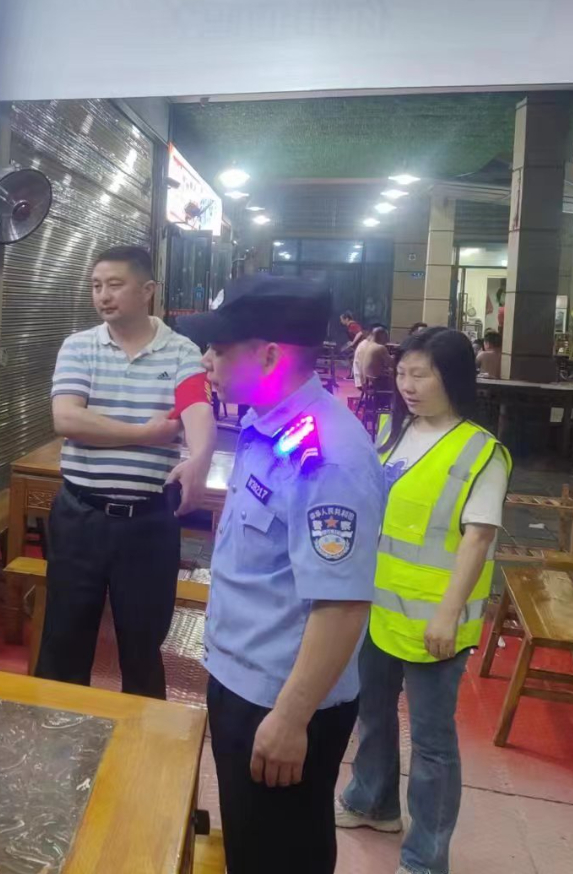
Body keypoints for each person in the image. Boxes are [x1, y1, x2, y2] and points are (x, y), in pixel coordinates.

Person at [177, 274, 386, 874]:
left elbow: (342, 605)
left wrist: (291, 717)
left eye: (220, 348)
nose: (207, 360)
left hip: (282, 701)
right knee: (251, 846)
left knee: (281, 854)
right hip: (242, 680)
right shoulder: (268, 424)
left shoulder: (329, 456)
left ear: (268, 356)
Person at [337, 327, 509, 874]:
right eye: (402, 373)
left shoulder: (482, 452)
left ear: (451, 377)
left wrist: (447, 615)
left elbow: (477, 540)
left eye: (421, 374)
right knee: (372, 713)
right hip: (379, 607)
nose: (407, 385)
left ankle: (426, 858)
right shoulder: (396, 430)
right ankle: (373, 803)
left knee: (432, 743)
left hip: (436, 620)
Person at [38, 245, 215, 695]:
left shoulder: (181, 351)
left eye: (115, 285)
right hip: (80, 516)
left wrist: (200, 458)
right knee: (63, 641)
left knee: (143, 646)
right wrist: (146, 433)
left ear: (147, 290)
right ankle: (55, 732)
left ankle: (142, 736)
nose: (103, 295)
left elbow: (195, 407)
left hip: (149, 522)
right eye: (96, 286)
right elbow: (67, 419)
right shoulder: (79, 346)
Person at [353, 325, 392, 390]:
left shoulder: (366, 344)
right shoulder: (380, 347)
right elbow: (391, 364)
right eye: (386, 336)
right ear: (381, 336)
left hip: (364, 381)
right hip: (373, 384)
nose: (388, 339)